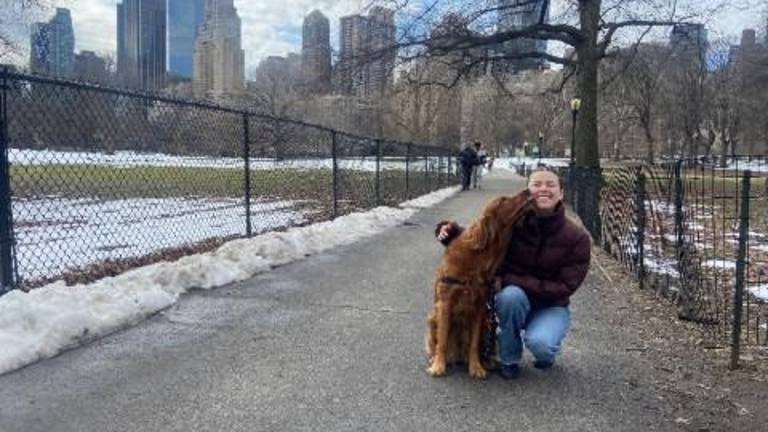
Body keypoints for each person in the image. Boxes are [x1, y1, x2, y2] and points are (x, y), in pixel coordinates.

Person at [435, 167, 591, 379]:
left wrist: (512, 280)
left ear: (561, 193)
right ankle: (509, 359)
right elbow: (481, 236)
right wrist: (449, 230)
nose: (543, 189)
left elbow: (565, 287)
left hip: (550, 306)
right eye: (537, 185)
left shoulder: (577, 238)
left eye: (550, 185)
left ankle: (546, 351)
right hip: (516, 302)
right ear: (528, 193)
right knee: (511, 297)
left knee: (541, 345)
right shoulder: (514, 225)